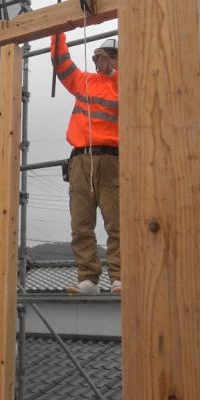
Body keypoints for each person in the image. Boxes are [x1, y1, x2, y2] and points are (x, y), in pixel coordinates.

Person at [50, 32, 120, 295]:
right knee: (81, 223)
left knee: (117, 222)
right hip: (80, 160)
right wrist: (57, 31)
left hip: (113, 159)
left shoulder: (127, 82)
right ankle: (88, 278)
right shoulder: (84, 81)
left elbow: (131, 93)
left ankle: (119, 276)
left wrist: (113, 73)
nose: (103, 61)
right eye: (100, 57)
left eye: (111, 56)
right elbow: (62, 62)